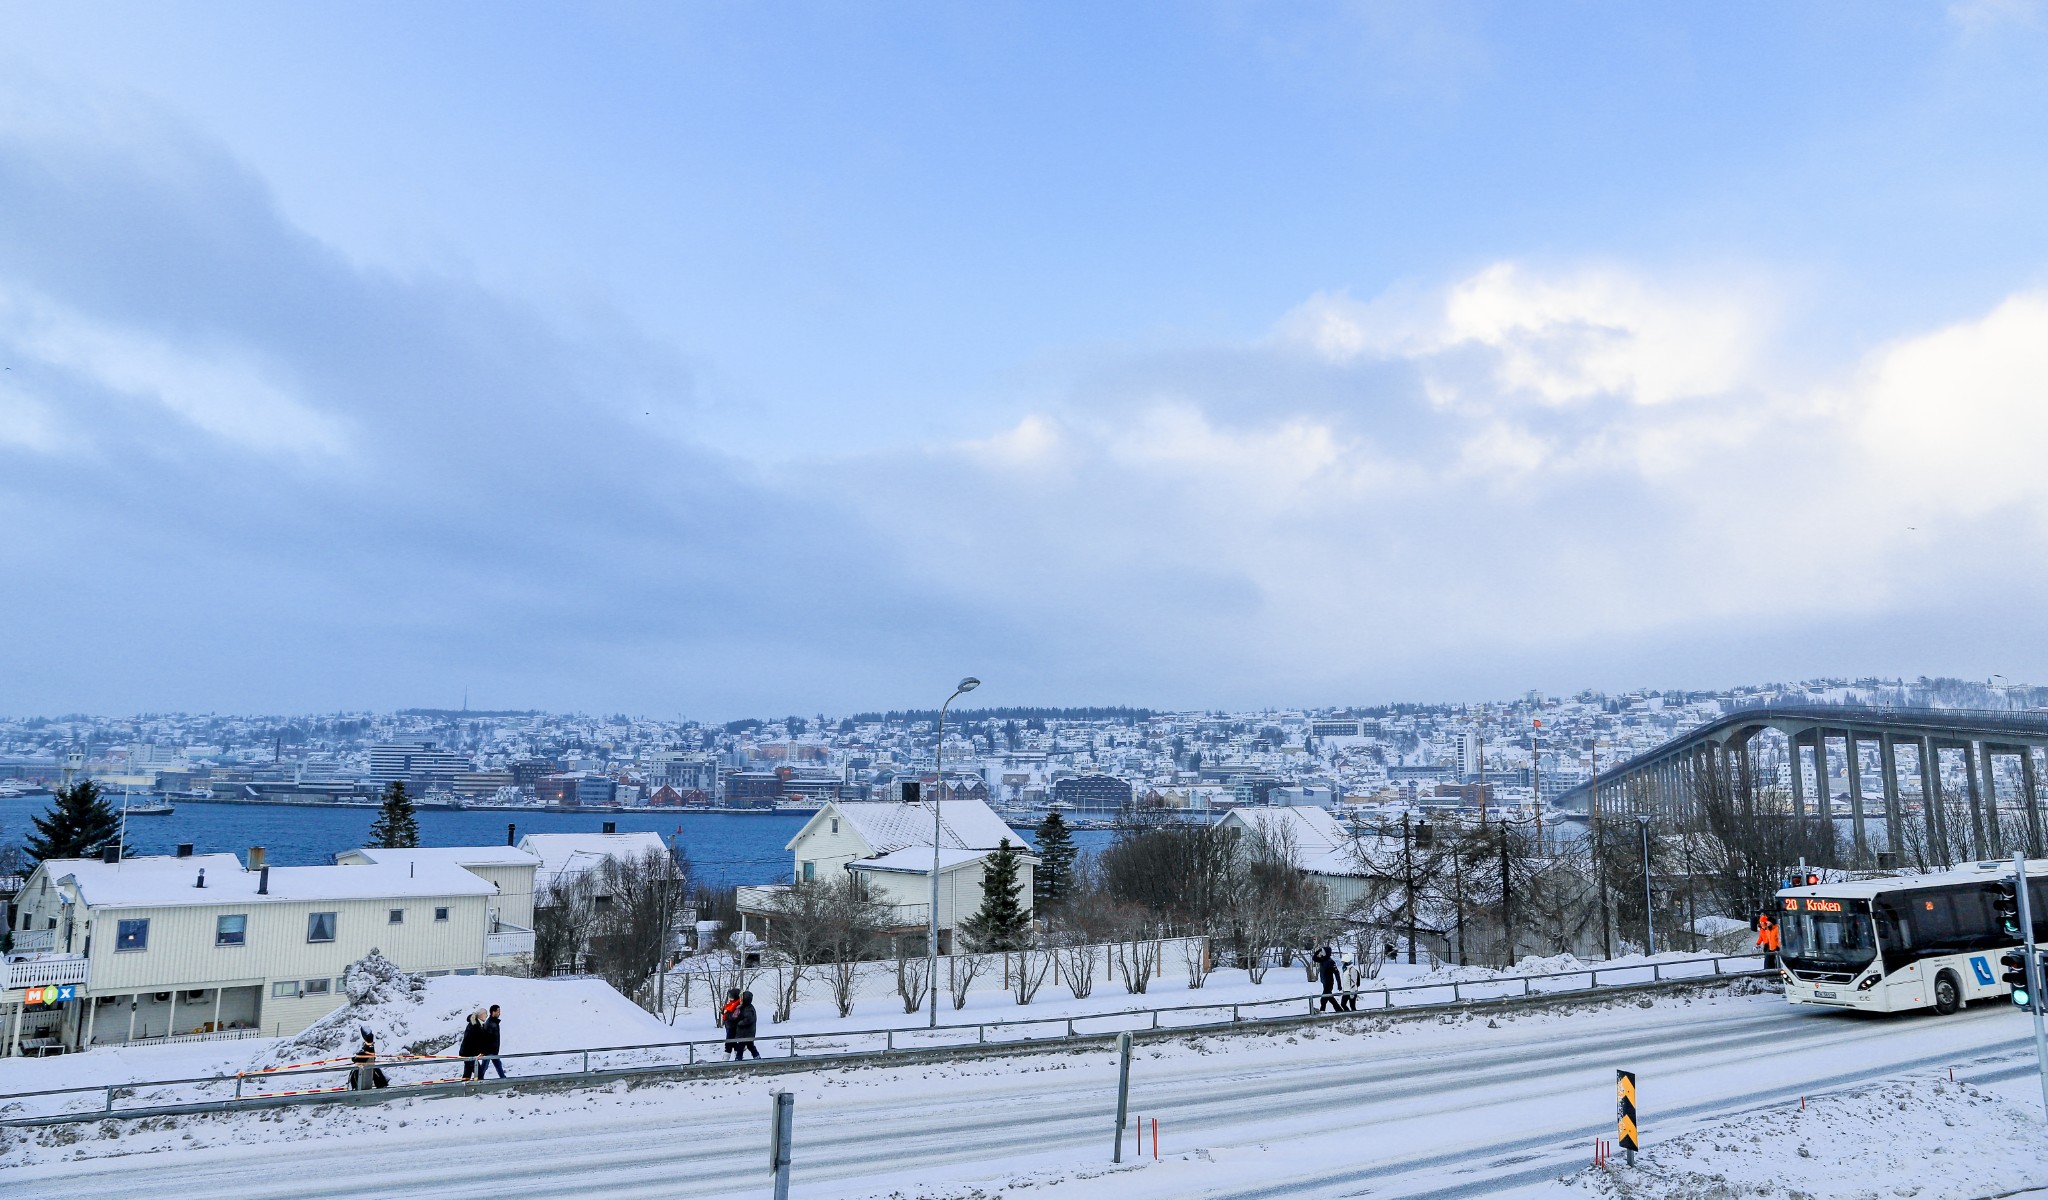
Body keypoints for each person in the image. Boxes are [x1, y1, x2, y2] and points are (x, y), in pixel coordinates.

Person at [475, 1004, 506, 1078]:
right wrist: (485, 1050)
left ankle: (503, 1078)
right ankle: (479, 1080)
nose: (499, 1013)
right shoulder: (490, 1024)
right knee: (485, 1067)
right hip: (489, 1051)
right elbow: (485, 1038)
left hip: (493, 1050)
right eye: (498, 1011)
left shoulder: (494, 1023)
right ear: (493, 1012)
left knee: (497, 1065)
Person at [458, 1009, 487, 1080]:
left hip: (468, 1053)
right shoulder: (475, 1025)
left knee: (467, 1073)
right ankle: (477, 1089)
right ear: (481, 1015)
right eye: (485, 1013)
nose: (487, 1015)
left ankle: (464, 1088)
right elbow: (476, 1040)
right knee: (479, 1073)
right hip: (469, 1054)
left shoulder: (477, 1024)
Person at [733, 989, 761, 1060]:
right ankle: (756, 1056)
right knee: (750, 1045)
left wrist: (739, 1023)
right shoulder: (744, 1007)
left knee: (741, 1046)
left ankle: (738, 1059)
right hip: (746, 1032)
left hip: (746, 1032)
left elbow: (748, 1019)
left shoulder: (748, 1008)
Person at [1314, 946, 1341, 1012]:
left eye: (1323, 952)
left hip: (1329, 983)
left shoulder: (1331, 962)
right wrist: (1318, 951)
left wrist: (1339, 984)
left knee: (1323, 999)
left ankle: (1322, 1011)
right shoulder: (1322, 960)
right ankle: (1339, 1010)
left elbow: (1337, 973)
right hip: (1324, 982)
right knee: (1329, 997)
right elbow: (1314, 958)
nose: (1322, 953)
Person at [722, 988, 744, 1059]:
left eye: (731, 995)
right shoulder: (732, 1003)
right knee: (733, 1042)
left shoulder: (737, 1004)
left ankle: (726, 1058)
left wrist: (726, 1013)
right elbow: (728, 1011)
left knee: (729, 1042)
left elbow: (734, 1016)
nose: (729, 996)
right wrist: (723, 1011)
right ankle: (738, 1057)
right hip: (729, 1025)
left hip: (733, 1026)